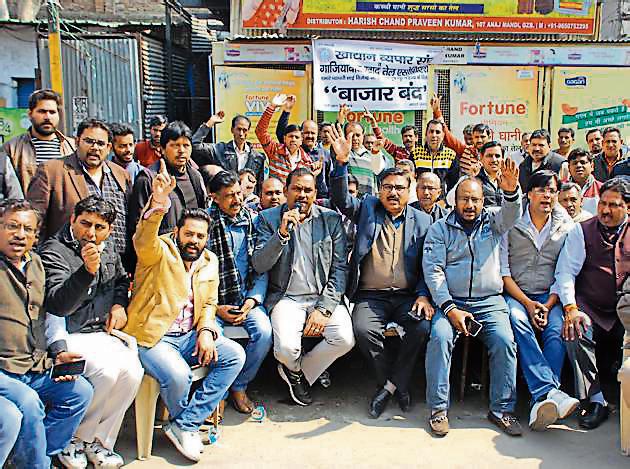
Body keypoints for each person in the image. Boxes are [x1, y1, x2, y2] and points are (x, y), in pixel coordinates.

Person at [124, 160, 245, 462]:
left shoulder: (210, 261)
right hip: (153, 337)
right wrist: (158, 204)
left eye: (200, 236)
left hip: (189, 335)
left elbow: (208, 303)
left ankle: (183, 424)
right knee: (179, 376)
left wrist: (205, 330)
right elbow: (142, 239)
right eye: (189, 234)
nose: (194, 241)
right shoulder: (159, 250)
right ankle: (186, 425)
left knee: (233, 356)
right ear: (178, 232)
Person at [329, 124, 433, 418]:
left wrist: (424, 296)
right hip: (370, 296)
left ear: (409, 191)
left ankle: (387, 387)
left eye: (400, 188)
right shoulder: (367, 208)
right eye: (387, 187)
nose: (393, 193)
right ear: (379, 190)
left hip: (406, 296)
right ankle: (397, 385)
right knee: (363, 330)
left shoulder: (423, 222)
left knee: (421, 328)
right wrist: (340, 164)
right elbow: (341, 200)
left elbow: (429, 265)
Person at [423, 159, 523, 437]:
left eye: (475, 200)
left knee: (505, 341)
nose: (470, 205)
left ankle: (502, 409)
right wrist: (450, 308)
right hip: (450, 302)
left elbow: (512, 215)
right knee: (440, 338)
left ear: (483, 201)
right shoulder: (439, 229)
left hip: (489, 301)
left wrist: (512, 192)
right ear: (454, 201)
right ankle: (438, 409)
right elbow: (434, 273)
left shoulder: (492, 221)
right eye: (465, 199)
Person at [41, 196, 143, 468]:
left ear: (109, 230)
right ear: (72, 220)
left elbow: (121, 279)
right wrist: (86, 271)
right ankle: (74, 439)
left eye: (100, 227)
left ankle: (98, 443)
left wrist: (120, 304)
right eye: (85, 224)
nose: (91, 232)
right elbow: (58, 303)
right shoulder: (54, 251)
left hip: (101, 332)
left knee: (133, 371)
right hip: (69, 332)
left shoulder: (107, 248)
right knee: (104, 372)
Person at [0, 199, 93, 469]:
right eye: (12, 226)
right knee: (29, 404)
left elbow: (56, 309)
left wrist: (59, 353)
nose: (19, 235)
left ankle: (40, 458)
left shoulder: (37, 265)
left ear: (35, 235)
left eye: (27, 230)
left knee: (79, 393)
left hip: (35, 365)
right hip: (4, 371)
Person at [252, 167, 354, 406]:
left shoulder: (330, 219)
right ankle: (297, 370)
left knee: (344, 339)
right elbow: (259, 264)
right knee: (285, 349)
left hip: (322, 296)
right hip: (286, 297)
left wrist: (324, 309)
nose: (302, 195)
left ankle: (299, 373)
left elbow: (340, 269)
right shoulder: (268, 220)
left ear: (315, 193)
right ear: (286, 191)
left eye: (308, 190)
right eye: (296, 189)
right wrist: (281, 234)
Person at [501, 171, 579, 431]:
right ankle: (550, 393)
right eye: (542, 189)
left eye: (552, 190)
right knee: (518, 322)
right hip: (517, 294)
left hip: (549, 296)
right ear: (529, 194)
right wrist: (527, 303)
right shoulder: (512, 222)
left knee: (557, 329)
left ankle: (541, 400)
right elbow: (503, 271)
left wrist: (547, 304)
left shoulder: (565, 225)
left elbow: (564, 270)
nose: (548, 195)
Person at [554, 177, 630, 430]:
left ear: (627, 207)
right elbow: (566, 272)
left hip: (625, 310)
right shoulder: (581, 230)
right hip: (590, 307)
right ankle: (595, 399)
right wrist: (571, 308)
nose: (605, 211)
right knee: (574, 331)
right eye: (602, 204)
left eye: (614, 205)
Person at [206, 171, 272, 414]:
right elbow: (196, 276)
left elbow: (261, 269)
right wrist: (215, 308)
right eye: (228, 196)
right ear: (214, 198)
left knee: (264, 333)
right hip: (213, 304)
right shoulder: (205, 226)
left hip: (246, 299)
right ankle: (219, 392)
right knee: (214, 340)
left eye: (238, 193)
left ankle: (239, 385)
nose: (236, 200)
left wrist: (252, 301)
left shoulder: (252, 221)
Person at [27, 118, 131, 256]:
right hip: (69, 264)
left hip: (115, 266)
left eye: (100, 143)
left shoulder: (121, 175)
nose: (95, 147)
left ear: (109, 148)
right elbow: (34, 221)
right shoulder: (51, 171)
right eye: (89, 141)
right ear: (77, 142)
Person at [129, 121, 206, 237]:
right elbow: (137, 225)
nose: (181, 151)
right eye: (175, 145)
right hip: (161, 250)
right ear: (162, 149)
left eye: (186, 145)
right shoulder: (149, 178)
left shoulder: (195, 176)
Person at [3, 89, 75, 192]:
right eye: (42, 111)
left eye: (52, 112)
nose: (47, 117)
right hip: (29, 207)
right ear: (30, 114)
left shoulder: (72, 146)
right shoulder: (11, 148)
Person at [192, 112, 265, 194]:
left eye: (244, 130)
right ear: (232, 130)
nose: (241, 134)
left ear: (248, 131)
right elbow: (195, 145)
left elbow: (260, 186)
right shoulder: (220, 150)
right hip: (226, 198)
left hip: (250, 202)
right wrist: (210, 123)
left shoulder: (257, 157)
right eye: (238, 129)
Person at [276, 98, 331, 198]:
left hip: (321, 199)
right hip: (299, 196)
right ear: (301, 135)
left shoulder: (325, 154)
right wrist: (286, 112)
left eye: (313, 133)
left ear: (317, 134)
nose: (310, 136)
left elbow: (329, 179)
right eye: (306, 133)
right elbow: (281, 133)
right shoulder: (295, 149)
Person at [255, 94, 313, 186]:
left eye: (296, 137)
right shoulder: (275, 150)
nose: (293, 139)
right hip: (276, 198)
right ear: (284, 138)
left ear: (301, 140)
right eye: (290, 136)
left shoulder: (307, 161)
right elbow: (260, 131)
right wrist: (272, 106)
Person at [409, 119, 457, 196]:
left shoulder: (450, 155)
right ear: (426, 134)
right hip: (419, 201)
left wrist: (445, 202)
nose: (434, 135)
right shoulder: (415, 154)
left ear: (443, 135)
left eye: (437, 132)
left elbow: (454, 184)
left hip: (441, 203)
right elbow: (410, 181)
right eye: (431, 132)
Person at [567, 148, 602, 214]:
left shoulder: (602, 189)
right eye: (575, 163)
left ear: (592, 166)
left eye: (583, 162)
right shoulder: (561, 190)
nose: (579, 165)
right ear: (569, 168)